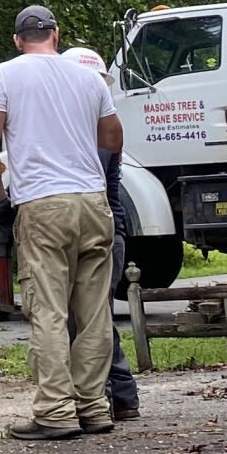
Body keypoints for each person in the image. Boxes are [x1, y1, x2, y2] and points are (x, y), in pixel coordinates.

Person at [0, 5, 123, 442]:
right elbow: (113, 138)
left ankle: (56, 411)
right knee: (94, 312)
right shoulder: (87, 78)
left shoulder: (4, 75)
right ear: (56, 35)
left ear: (18, 39)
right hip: (93, 202)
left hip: (43, 204)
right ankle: (93, 406)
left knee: (49, 311)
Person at [62, 44, 141, 421]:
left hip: (102, 231)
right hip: (109, 229)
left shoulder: (92, 135)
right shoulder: (100, 129)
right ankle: (121, 395)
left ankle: (112, 395)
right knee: (95, 317)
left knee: (91, 319)